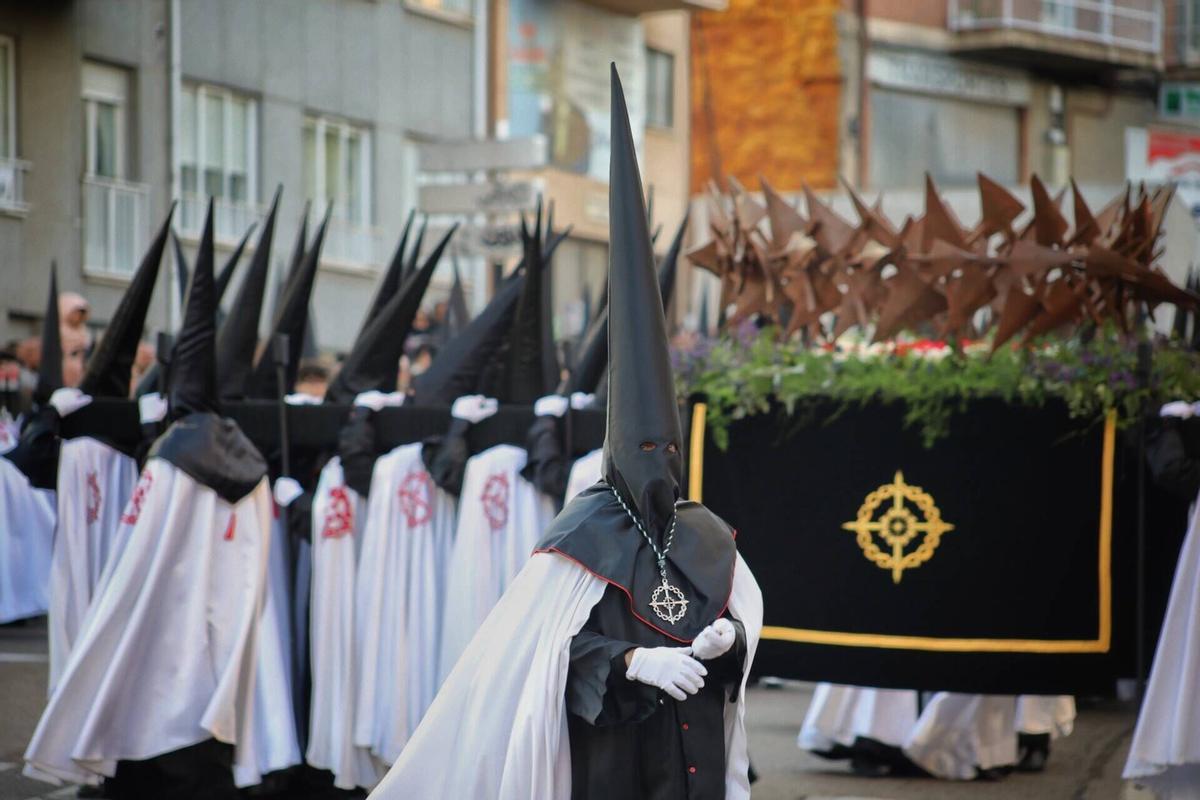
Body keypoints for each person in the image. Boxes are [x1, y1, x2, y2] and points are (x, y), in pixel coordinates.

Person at [368, 64, 763, 800]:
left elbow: (746, 619)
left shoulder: (703, 533)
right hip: (611, 766)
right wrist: (629, 662)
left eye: (668, 450)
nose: (659, 464)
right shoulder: (581, 534)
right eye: (646, 449)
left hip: (694, 766)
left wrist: (728, 639)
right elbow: (543, 652)